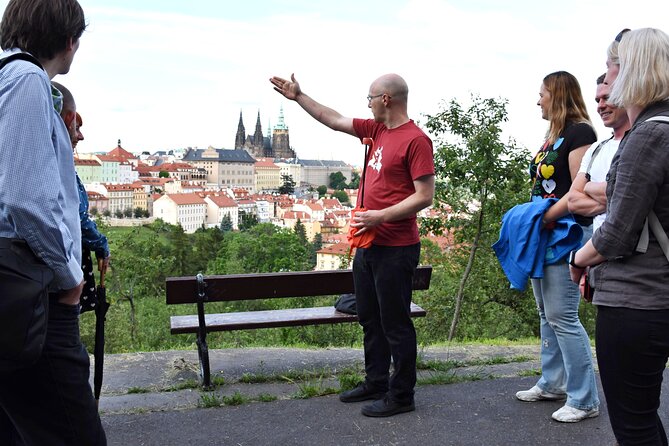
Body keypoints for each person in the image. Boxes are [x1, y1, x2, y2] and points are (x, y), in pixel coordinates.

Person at [270, 73, 434, 417]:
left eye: (371, 97)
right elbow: (332, 119)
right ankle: (376, 381)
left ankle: (402, 395)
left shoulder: (416, 140)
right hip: (368, 246)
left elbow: (425, 196)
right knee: (369, 317)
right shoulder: (376, 131)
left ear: (386, 99)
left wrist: (381, 217)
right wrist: (299, 97)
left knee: (396, 323)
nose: (369, 103)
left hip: (396, 246)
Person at [0, 1, 107, 444]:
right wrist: (69, 277)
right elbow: (26, 200)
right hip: (33, 292)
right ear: (69, 40)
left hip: (15, 290)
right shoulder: (27, 80)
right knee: (74, 432)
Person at [569, 27, 669, 445]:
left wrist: (578, 259)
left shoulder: (649, 134)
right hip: (654, 296)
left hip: (637, 300)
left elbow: (617, 235)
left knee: (634, 424)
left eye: (613, 67)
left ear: (633, 70)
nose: (608, 78)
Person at [515, 71, 600, 423]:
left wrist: (547, 215)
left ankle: (584, 399)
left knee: (563, 317)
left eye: (543, 94)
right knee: (545, 314)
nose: (538, 101)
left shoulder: (580, 132)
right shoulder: (555, 135)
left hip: (565, 232)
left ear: (558, 95)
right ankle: (553, 383)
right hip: (545, 232)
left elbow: (578, 189)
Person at [52, 81, 111, 312]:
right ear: (66, 120)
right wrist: (101, 244)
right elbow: (76, 216)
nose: (81, 136)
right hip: (62, 273)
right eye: (76, 127)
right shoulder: (58, 164)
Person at [567, 73, 630, 232]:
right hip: (599, 248)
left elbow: (634, 194)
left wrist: (588, 188)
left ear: (627, 96)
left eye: (607, 98)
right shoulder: (596, 149)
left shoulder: (643, 141)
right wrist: (616, 201)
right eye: (597, 100)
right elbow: (573, 201)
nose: (600, 106)